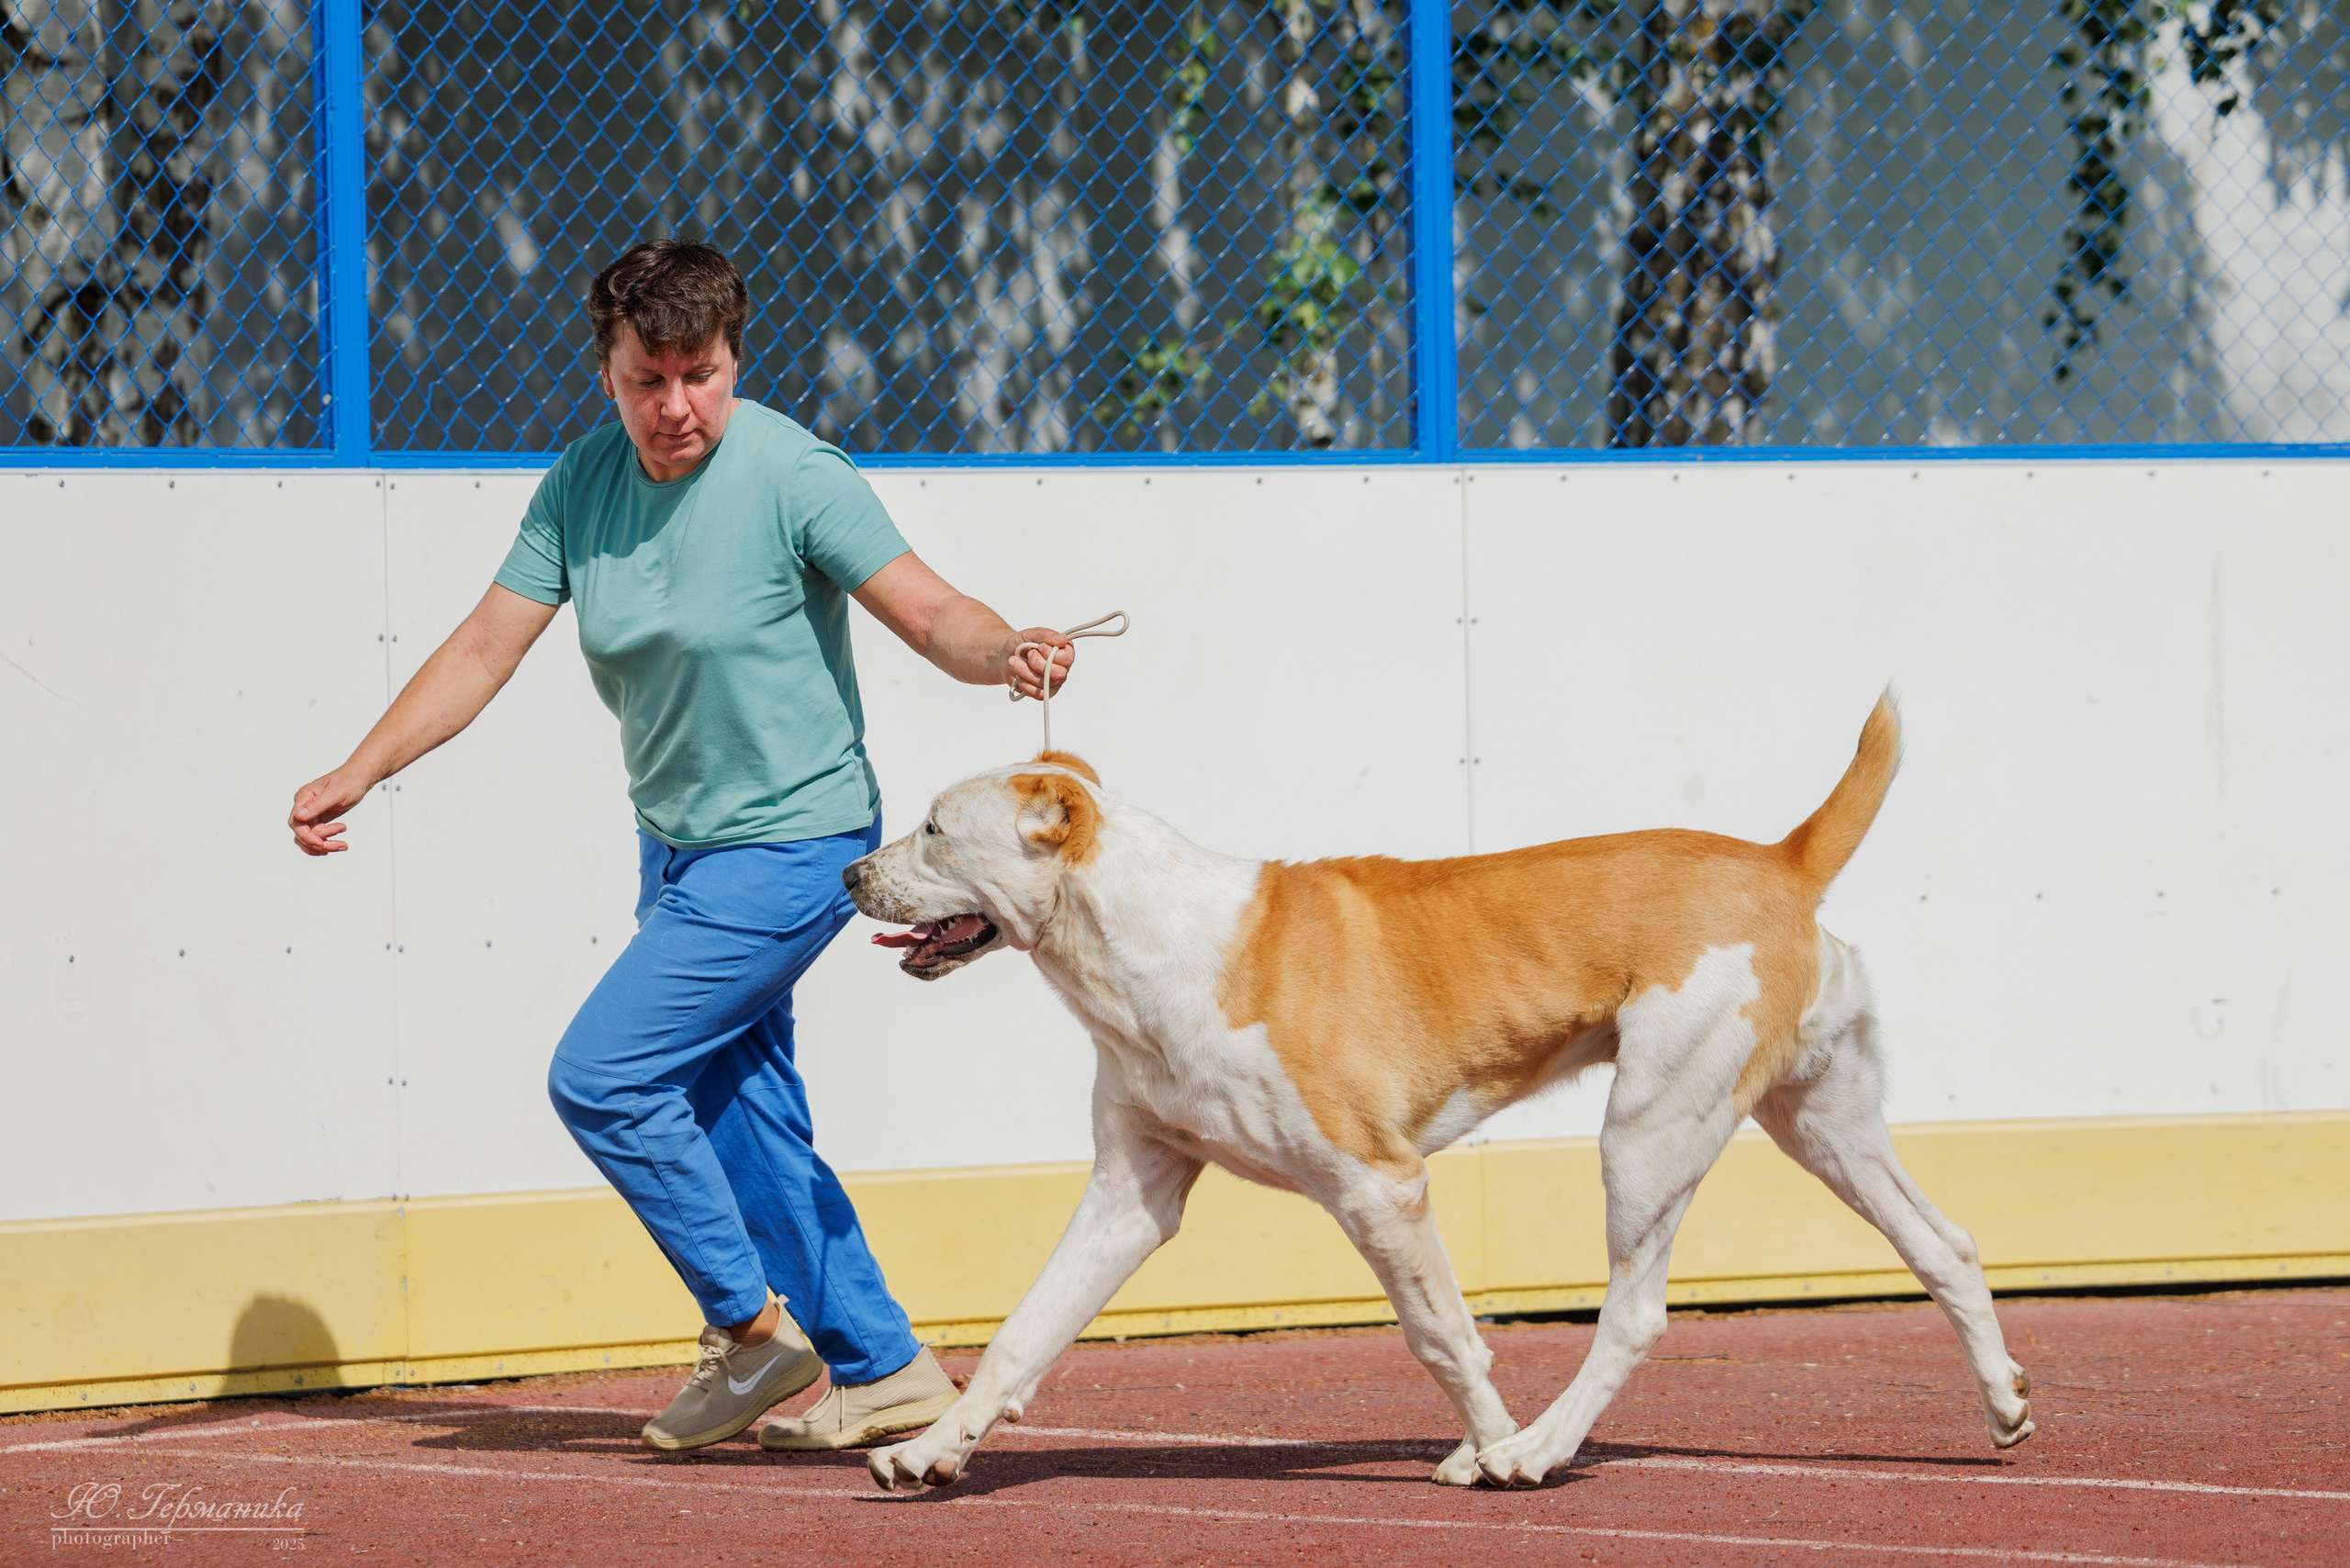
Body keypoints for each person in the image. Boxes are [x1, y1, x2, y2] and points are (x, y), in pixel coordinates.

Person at [288, 240, 1075, 1454]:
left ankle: (753, 1336)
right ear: (606, 371)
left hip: (800, 841)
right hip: (678, 852)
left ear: (733, 359)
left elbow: (930, 612)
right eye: (646, 379)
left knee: (602, 1075)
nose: (675, 408)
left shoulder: (794, 473)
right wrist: (359, 768)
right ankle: (884, 1368)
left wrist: (1005, 648)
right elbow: (484, 648)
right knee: (739, 1106)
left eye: (699, 375)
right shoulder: (581, 488)